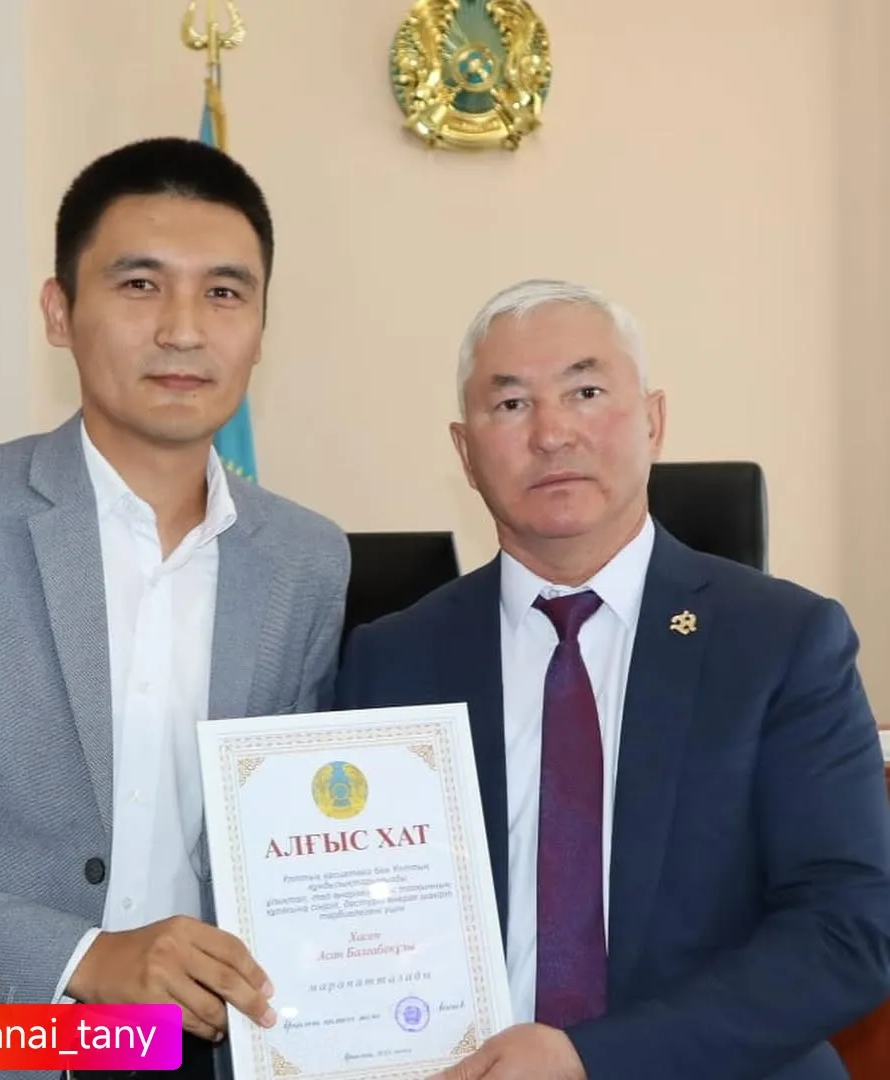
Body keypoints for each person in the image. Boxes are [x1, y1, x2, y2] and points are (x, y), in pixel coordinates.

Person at [0, 137, 349, 1080]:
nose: (184, 329)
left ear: (262, 325)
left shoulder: (306, 559)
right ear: (60, 311)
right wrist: (79, 959)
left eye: (225, 292)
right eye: (140, 285)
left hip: (186, 1053)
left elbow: (286, 844)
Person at [334, 279, 890, 1080]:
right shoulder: (391, 659)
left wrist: (588, 1059)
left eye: (586, 392)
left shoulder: (783, 643)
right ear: (464, 451)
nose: (552, 433)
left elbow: (848, 932)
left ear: (654, 421)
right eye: (512, 405)